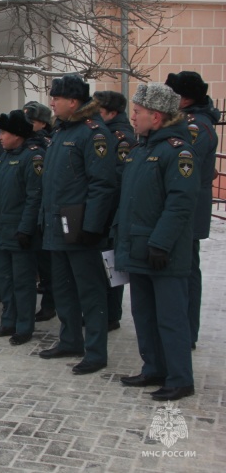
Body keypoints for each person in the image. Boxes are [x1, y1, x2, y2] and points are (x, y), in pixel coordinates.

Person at [115, 82, 197, 401]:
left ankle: (179, 378)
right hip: (138, 249)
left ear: (157, 116)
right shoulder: (142, 151)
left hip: (164, 253)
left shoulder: (178, 152)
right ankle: (154, 368)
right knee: (144, 315)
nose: (132, 117)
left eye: (137, 112)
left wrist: (161, 243)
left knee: (171, 318)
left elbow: (180, 203)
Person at [38, 73, 116, 376]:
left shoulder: (93, 134)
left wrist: (92, 226)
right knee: (63, 288)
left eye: (56, 98)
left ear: (74, 101)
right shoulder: (61, 132)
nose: (52, 103)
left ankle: (96, 352)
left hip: (81, 228)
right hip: (58, 226)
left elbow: (102, 185)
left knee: (90, 291)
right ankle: (70, 340)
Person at [165, 71, 219, 350]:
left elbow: (184, 165)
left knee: (187, 270)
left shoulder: (196, 125)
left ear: (184, 98)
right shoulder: (189, 121)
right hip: (187, 205)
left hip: (189, 208)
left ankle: (187, 331)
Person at [0, 110, 44, 345]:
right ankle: (8, 320)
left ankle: (24, 326)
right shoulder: (3, 156)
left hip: (20, 231)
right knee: (5, 279)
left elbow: (35, 197)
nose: (0, 137)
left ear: (18, 135)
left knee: (22, 282)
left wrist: (26, 228)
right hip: (2, 229)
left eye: (4, 132)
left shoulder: (32, 157)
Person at [93, 90, 138, 332]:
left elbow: (120, 178)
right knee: (101, 265)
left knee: (111, 265)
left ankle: (111, 315)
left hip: (112, 212)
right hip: (104, 210)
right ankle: (104, 312)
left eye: (99, 111)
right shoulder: (104, 134)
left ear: (112, 113)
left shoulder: (122, 139)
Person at [24, 100, 55, 323]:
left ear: (42, 124)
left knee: (47, 264)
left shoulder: (43, 145)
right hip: (32, 210)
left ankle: (50, 304)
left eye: (31, 121)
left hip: (44, 211)